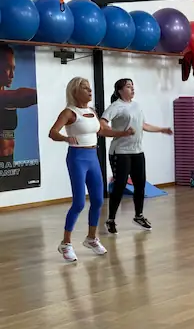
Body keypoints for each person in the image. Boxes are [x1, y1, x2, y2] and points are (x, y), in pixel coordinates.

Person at [49, 77, 133, 262]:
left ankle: (91, 238)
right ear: (75, 92)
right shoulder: (69, 112)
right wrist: (65, 138)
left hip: (93, 157)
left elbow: (101, 131)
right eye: (85, 88)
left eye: (89, 88)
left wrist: (122, 133)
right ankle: (66, 243)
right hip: (77, 158)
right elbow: (52, 132)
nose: (90, 91)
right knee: (79, 203)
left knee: (98, 200)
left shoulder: (92, 111)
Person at [100, 78, 173, 234]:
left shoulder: (136, 105)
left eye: (133, 86)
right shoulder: (116, 106)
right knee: (119, 186)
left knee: (140, 185)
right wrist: (121, 133)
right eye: (128, 86)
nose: (132, 89)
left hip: (137, 152)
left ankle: (139, 216)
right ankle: (111, 219)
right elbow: (102, 125)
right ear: (120, 90)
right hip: (120, 152)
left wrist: (161, 129)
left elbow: (143, 125)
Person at [0, 44, 37, 165]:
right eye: (8, 68)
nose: (12, 75)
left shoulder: (7, 97)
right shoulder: (7, 97)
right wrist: (45, 93)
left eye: (13, 69)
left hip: (7, 162)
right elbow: (19, 96)